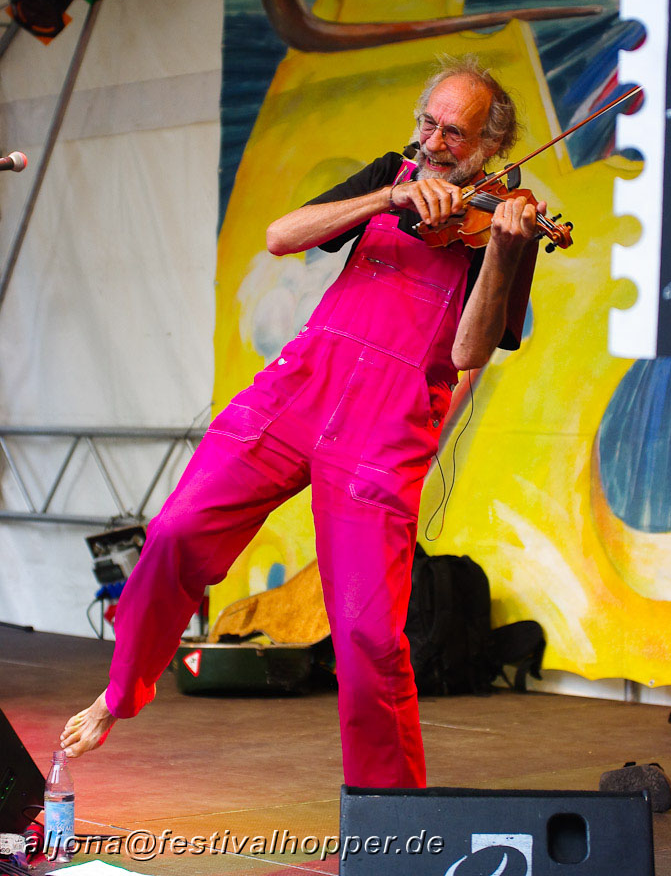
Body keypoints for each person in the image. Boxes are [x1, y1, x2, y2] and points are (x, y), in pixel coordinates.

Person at [61, 55, 543, 788]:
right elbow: (282, 235)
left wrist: (506, 252)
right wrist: (387, 196)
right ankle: (123, 688)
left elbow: (472, 349)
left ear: (487, 148)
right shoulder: (394, 173)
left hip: (388, 426)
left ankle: (388, 825)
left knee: (367, 635)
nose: (436, 141)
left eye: (455, 132)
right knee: (175, 530)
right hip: (299, 390)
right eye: (428, 123)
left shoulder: (505, 222)